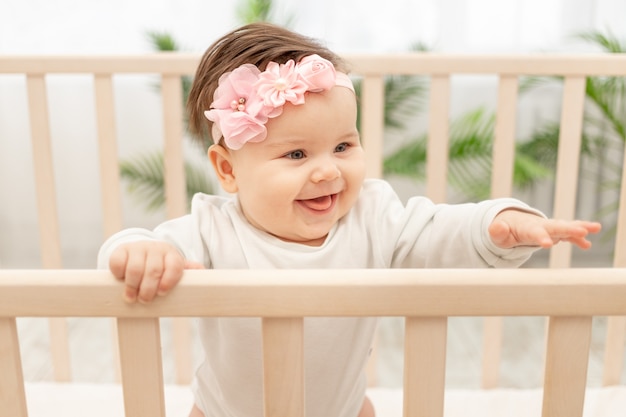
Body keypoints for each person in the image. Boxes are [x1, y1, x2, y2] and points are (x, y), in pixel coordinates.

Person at [98, 22, 601, 417]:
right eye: (296, 155)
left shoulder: (371, 216)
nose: (327, 170)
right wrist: (140, 252)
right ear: (228, 170)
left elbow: (437, 231)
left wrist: (496, 223)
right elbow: (134, 246)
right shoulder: (209, 228)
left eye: (343, 146)